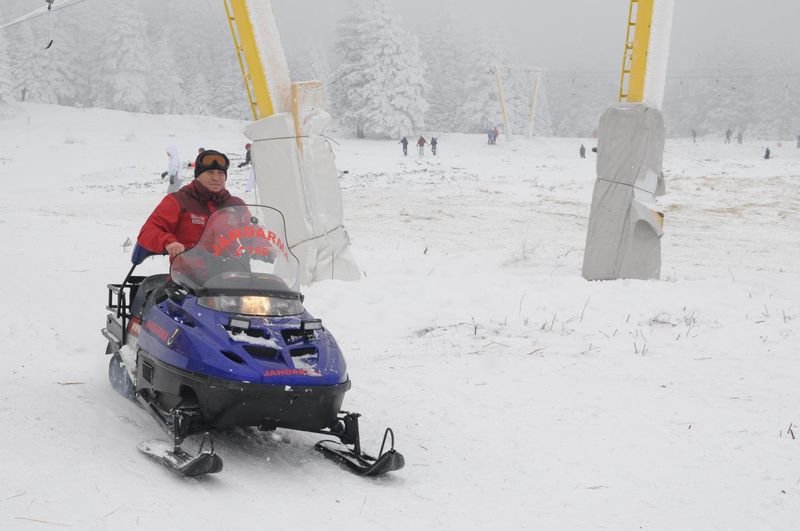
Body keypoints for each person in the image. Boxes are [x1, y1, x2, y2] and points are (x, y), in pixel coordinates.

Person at [138, 149, 246, 261]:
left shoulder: (236, 204)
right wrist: (169, 243)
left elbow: (253, 232)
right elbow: (148, 231)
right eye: (210, 173)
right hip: (189, 274)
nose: (216, 178)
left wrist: (262, 246)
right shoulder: (178, 201)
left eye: (220, 173)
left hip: (233, 271)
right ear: (197, 176)